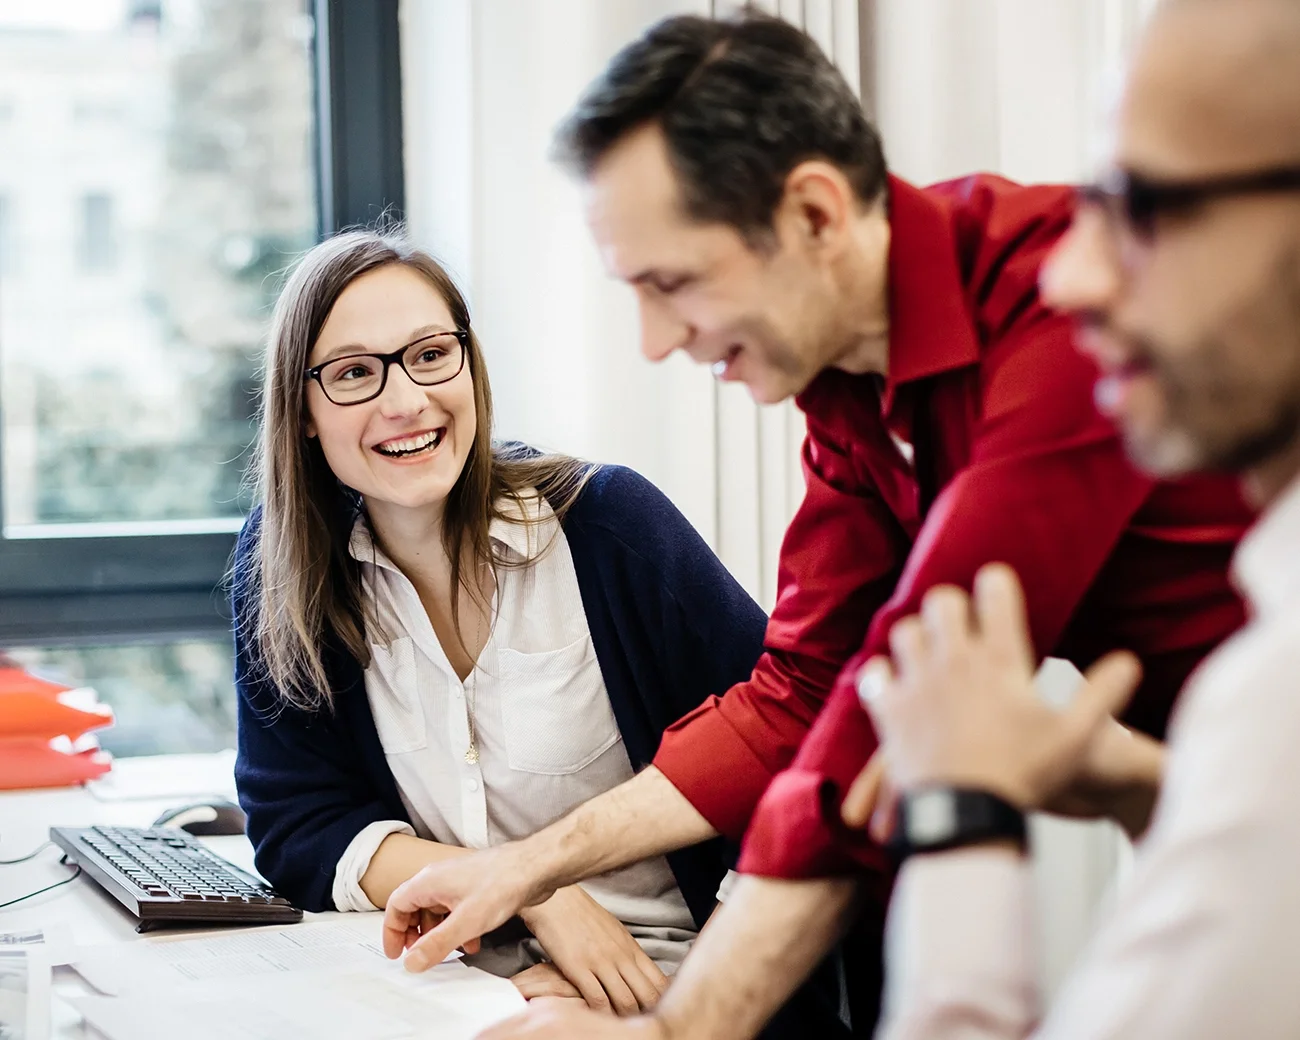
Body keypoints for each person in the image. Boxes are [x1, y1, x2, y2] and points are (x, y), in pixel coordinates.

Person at [378, 9, 1254, 1037]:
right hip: (1217, 792)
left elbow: (878, 713)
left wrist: (679, 1027)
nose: (658, 340)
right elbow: (796, 692)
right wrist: (525, 864)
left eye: (674, 283)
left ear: (815, 215)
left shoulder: (1057, 315)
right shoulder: (850, 392)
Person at [229, 228, 847, 1034]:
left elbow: (798, 762)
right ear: (302, 413)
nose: (405, 400)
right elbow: (296, 824)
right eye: (353, 374)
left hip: (691, 992)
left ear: (469, 363)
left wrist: (697, 998)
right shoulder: (282, 568)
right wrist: (524, 887)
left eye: (428, 354)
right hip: (472, 993)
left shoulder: (609, 526)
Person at [846, 1, 1300, 1035]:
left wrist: (960, 808)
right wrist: (1153, 791)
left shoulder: (1278, 704)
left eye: (1143, 203)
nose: (1072, 276)